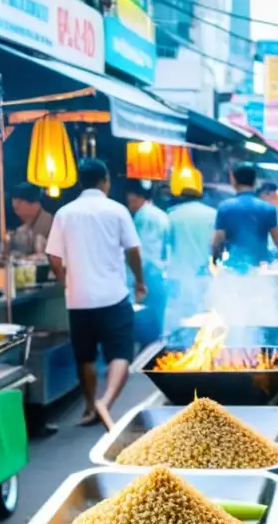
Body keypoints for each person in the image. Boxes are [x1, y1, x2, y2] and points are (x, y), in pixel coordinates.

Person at [46, 159, 144, 430]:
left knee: (85, 356)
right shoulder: (117, 210)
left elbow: (53, 256)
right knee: (121, 351)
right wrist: (140, 281)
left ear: (80, 182)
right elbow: (133, 250)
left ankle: (89, 406)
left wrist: (67, 281)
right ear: (105, 181)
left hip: (79, 298)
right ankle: (106, 401)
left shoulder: (64, 213)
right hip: (113, 295)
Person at [213, 165, 278, 272]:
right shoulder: (268, 208)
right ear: (254, 181)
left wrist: (215, 258)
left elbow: (218, 239)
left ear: (233, 181)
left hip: (234, 266)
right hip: (261, 266)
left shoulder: (225, 207)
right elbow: (277, 239)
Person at [125, 180, 171, 346]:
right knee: (156, 327)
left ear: (138, 197)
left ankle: (147, 367)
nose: (129, 204)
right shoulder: (160, 214)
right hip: (159, 277)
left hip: (149, 279)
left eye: (129, 200)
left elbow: (144, 254)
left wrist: (139, 282)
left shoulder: (145, 217)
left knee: (148, 330)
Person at [168, 184, 218, 328]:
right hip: (205, 272)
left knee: (182, 318)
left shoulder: (172, 215)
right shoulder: (212, 214)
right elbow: (217, 244)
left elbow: (168, 245)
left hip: (179, 274)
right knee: (205, 317)